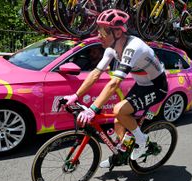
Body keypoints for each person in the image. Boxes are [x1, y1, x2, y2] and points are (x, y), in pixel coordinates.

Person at [63, 9, 168, 168]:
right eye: (99, 30)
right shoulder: (111, 49)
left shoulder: (133, 47)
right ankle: (123, 152)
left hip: (157, 87)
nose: (99, 35)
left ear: (118, 32)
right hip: (141, 85)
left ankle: (143, 142)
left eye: (103, 31)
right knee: (118, 120)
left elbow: (114, 83)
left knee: (119, 109)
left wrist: (92, 109)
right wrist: (75, 96)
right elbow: (95, 74)